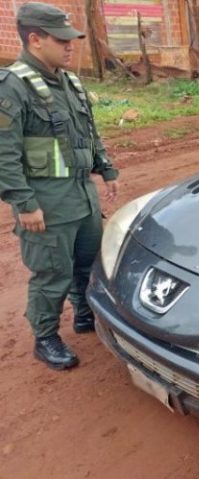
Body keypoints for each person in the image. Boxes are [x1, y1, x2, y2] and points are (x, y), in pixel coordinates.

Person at [0, 3, 119, 370]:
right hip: (46, 202)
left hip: (81, 195)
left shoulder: (70, 82)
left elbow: (88, 132)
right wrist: (24, 203)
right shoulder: (13, 87)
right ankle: (46, 337)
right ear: (35, 39)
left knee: (87, 263)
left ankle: (85, 315)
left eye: (73, 40)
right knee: (53, 273)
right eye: (62, 40)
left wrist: (106, 169)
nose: (71, 47)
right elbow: (4, 153)